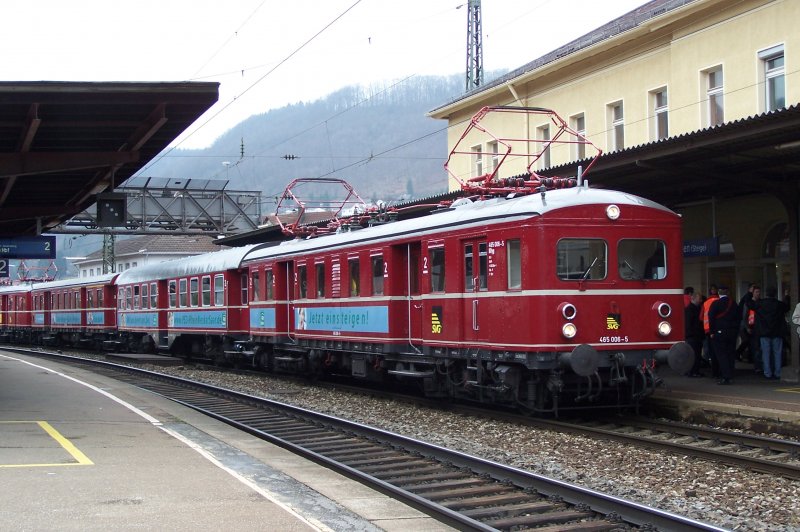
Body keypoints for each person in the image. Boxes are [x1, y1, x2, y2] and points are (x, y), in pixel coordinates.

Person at [748, 286, 789, 380]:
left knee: (765, 353)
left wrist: (750, 293)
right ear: (775, 294)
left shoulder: (760, 304)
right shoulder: (779, 304)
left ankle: (767, 373)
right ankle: (777, 373)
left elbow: (749, 304)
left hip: (764, 332)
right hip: (777, 332)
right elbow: (787, 306)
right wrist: (786, 296)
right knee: (777, 353)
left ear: (766, 294)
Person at [708, 285, 738, 385]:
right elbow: (738, 317)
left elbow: (711, 318)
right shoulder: (733, 304)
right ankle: (731, 374)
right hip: (732, 332)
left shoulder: (716, 303)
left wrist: (712, 332)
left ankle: (726, 376)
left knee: (722, 355)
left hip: (719, 332)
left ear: (719, 293)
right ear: (728, 293)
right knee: (730, 354)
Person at [684, 292, 705, 376]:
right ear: (694, 298)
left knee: (695, 354)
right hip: (693, 336)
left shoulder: (692, 308)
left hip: (694, 335)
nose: (701, 300)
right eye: (699, 298)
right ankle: (693, 371)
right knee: (695, 354)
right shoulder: (691, 309)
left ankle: (693, 371)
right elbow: (689, 324)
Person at [701, 284, 719, 377]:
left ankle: (714, 371)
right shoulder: (720, 300)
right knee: (719, 351)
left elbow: (701, 317)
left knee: (711, 351)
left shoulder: (706, 302)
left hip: (708, 330)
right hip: (718, 329)